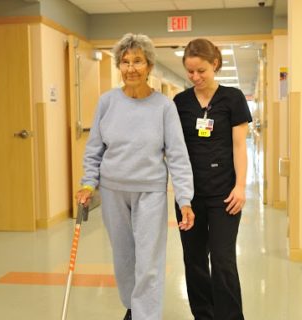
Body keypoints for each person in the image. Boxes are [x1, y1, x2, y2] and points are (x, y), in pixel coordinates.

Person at [75, 33, 195, 320]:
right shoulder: (107, 102)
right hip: (114, 190)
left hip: (150, 191)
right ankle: (133, 306)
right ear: (119, 65)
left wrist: (185, 199)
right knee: (124, 258)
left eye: (138, 61)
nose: (131, 68)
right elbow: (94, 149)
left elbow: (177, 155)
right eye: (125, 62)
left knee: (149, 261)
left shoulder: (164, 107)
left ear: (149, 66)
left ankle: (145, 315)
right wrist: (88, 183)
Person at [173, 38, 252, 320]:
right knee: (194, 261)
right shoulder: (180, 103)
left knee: (222, 261)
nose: (195, 77)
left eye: (201, 71)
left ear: (215, 64)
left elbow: (240, 146)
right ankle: (203, 316)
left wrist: (241, 186)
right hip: (189, 197)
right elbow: (174, 148)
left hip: (225, 195)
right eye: (190, 71)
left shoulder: (232, 98)